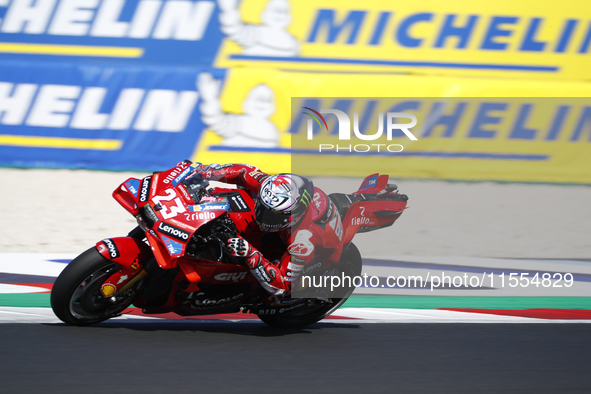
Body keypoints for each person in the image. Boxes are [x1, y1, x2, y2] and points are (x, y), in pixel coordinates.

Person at [191, 162, 344, 297]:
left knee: (273, 278)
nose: (263, 216)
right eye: (263, 207)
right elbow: (243, 172)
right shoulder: (270, 187)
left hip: (324, 254)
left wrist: (250, 253)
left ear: (292, 218)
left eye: (271, 216)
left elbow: (282, 286)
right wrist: (205, 172)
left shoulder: (302, 242)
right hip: (285, 228)